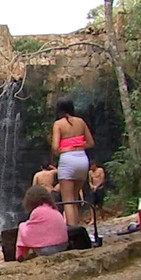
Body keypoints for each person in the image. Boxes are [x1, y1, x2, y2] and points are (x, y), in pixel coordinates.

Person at [50, 97, 95, 226]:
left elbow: (55, 147)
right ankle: (77, 228)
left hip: (67, 159)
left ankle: (72, 231)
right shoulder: (81, 122)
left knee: (68, 200)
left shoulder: (58, 124)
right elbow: (91, 142)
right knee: (75, 198)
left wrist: (65, 148)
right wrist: (78, 146)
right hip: (82, 159)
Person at [15, 185, 69, 260]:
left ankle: (21, 255)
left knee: (23, 226)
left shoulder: (37, 212)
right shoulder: (54, 209)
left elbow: (29, 233)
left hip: (46, 250)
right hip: (62, 246)